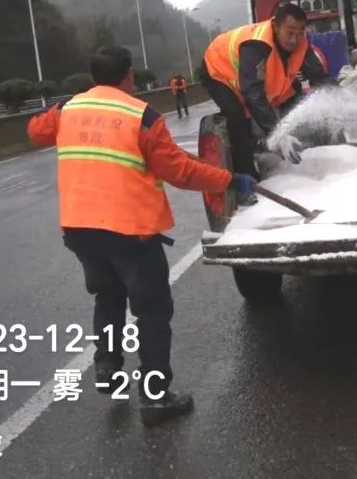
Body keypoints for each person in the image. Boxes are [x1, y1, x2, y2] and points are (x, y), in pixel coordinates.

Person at [27, 45, 256, 426]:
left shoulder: (70, 109)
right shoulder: (142, 116)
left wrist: (60, 109)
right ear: (129, 75)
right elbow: (180, 171)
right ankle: (155, 399)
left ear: (94, 76)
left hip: (81, 230)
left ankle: (108, 371)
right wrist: (230, 179)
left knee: (108, 298)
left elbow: (35, 132)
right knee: (151, 312)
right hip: (130, 233)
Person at [200, 2, 329, 204]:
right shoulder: (256, 46)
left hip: (255, 81)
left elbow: (320, 79)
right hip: (218, 70)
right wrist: (278, 134)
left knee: (294, 95)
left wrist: (346, 104)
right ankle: (249, 183)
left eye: (300, 32)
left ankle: (292, 156)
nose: (295, 39)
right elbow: (252, 94)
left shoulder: (301, 46)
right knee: (237, 117)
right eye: (290, 32)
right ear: (276, 27)